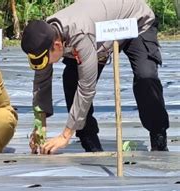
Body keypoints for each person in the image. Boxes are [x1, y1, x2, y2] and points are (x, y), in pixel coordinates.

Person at [20, 0, 169, 154]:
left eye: (46, 59)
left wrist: (65, 135)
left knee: (146, 76)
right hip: (100, 33)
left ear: (58, 46)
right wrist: (40, 125)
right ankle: (89, 140)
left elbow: (86, 88)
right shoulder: (44, 36)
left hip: (136, 23)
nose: (44, 64)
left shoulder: (80, 34)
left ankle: (158, 134)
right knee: (71, 78)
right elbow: (41, 82)